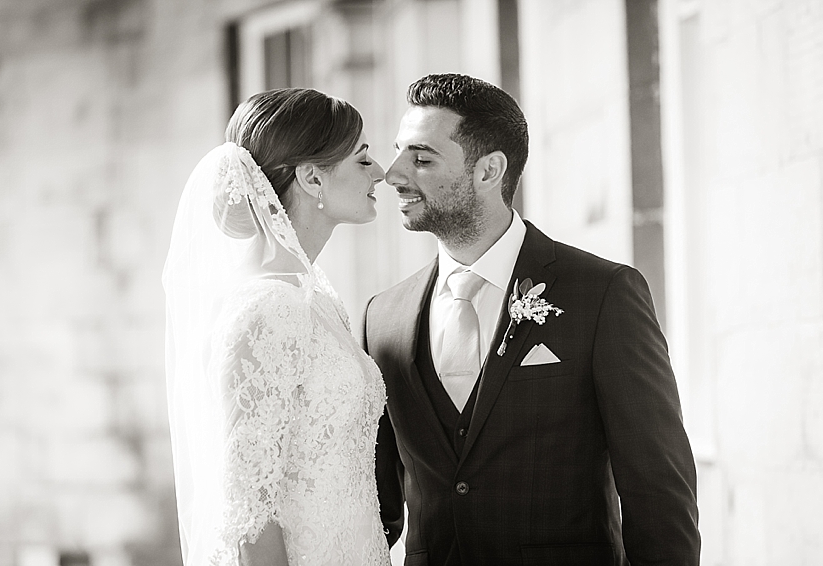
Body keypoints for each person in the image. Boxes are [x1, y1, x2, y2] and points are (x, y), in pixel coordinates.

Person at [363, 74, 700, 565]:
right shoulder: (382, 318)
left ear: (488, 170)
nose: (391, 174)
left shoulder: (603, 294)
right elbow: (375, 506)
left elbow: (659, 492)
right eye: (398, 153)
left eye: (421, 157)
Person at [163, 88, 390, 566]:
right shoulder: (268, 309)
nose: (382, 173)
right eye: (363, 159)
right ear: (312, 178)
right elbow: (250, 517)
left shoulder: (316, 299)